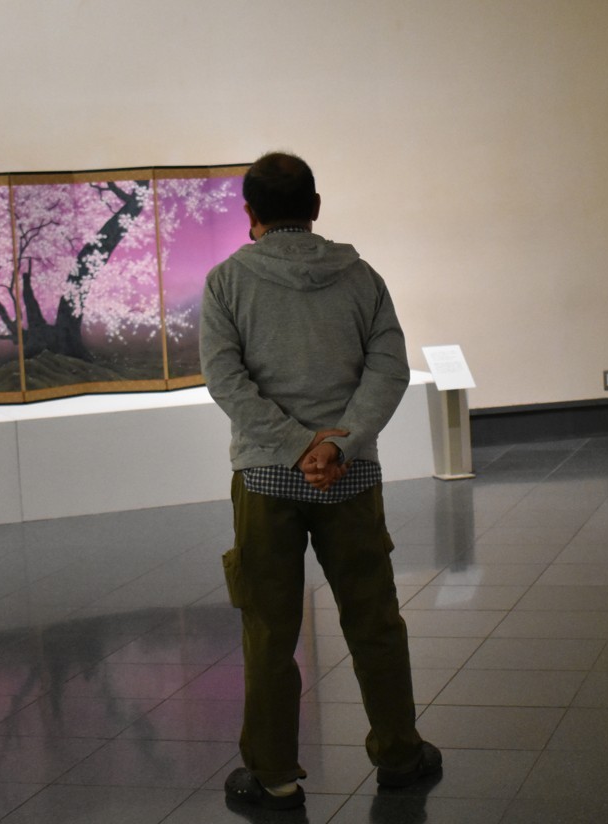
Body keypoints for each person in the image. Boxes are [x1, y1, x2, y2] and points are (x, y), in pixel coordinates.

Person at [200, 151, 442, 810]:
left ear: (249, 212)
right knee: (374, 621)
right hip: (350, 478)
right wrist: (338, 444)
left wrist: (293, 446)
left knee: (269, 631)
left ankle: (274, 774)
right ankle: (399, 755)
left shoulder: (226, 282)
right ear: (314, 207)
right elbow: (388, 369)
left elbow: (226, 380)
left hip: (265, 480)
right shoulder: (362, 278)